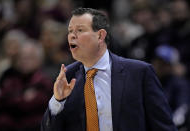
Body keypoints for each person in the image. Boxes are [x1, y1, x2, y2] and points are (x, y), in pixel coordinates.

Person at [41, 8, 177, 131]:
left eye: (80, 30)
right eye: (70, 31)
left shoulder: (139, 72)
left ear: (100, 36)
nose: (72, 35)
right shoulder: (66, 76)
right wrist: (57, 102)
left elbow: (163, 126)